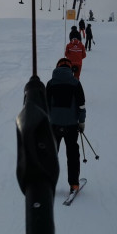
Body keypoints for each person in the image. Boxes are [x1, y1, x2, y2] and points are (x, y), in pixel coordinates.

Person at [46, 57, 86, 194]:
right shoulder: (75, 83)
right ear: (70, 68)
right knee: (73, 154)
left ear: (57, 67)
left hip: (53, 125)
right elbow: (81, 105)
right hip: (71, 126)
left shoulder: (50, 83)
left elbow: (45, 106)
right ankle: (74, 184)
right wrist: (81, 122)